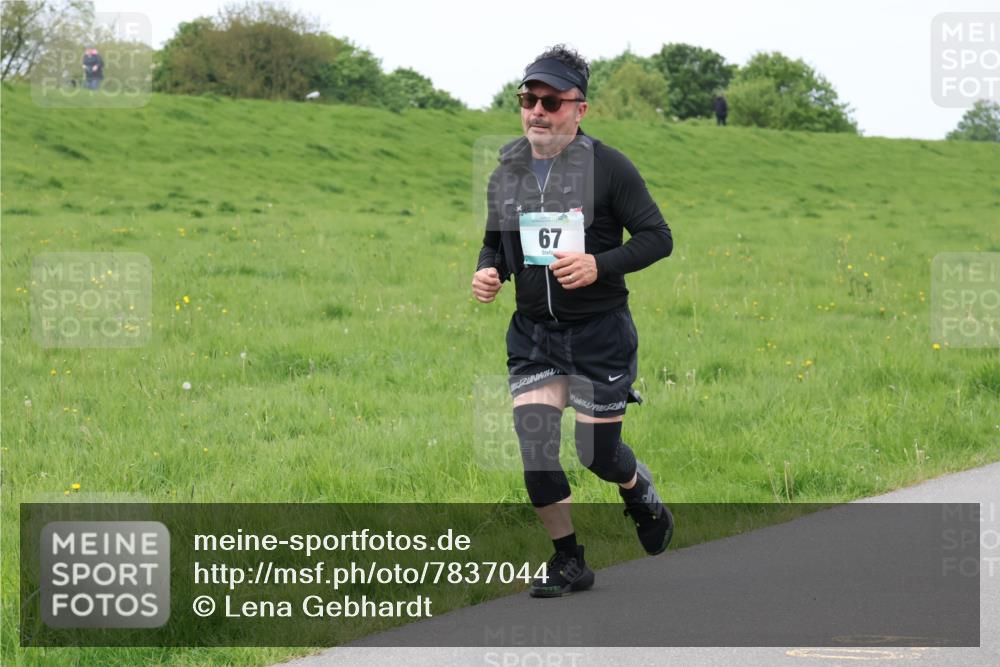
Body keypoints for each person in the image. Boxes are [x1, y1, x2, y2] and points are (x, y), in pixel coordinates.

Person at [471, 45, 675, 598]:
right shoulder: (506, 171)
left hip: (599, 335)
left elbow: (659, 238)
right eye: (528, 100)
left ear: (579, 108)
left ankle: (638, 491)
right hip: (535, 336)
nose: (537, 111)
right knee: (536, 450)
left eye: (551, 101)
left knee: (597, 456)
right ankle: (569, 559)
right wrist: (488, 272)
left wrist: (598, 265)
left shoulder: (609, 167)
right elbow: (494, 244)